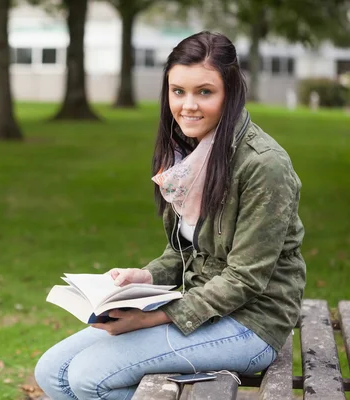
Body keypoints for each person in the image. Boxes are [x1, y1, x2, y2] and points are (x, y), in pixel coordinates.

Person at [34, 31, 306, 400]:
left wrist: (151, 317)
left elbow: (246, 278)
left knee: (87, 379)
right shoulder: (188, 154)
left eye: (204, 92)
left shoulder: (263, 165)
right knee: (51, 372)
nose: (188, 105)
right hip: (205, 307)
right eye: (178, 91)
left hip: (252, 322)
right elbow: (185, 249)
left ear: (230, 92)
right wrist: (143, 277)